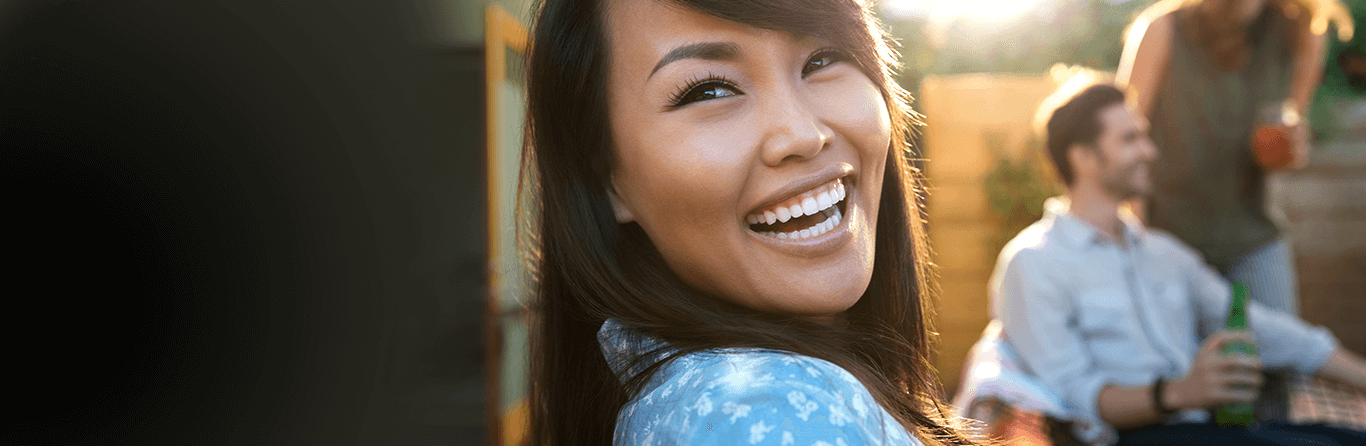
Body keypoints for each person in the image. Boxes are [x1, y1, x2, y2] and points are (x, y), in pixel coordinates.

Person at [521, 0, 977, 445]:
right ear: (607, 181)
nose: (802, 135)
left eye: (821, 59)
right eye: (709, 91)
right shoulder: (768, 414)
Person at [991, 81, 1366, 445]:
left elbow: (1265, 330)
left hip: (1208, 431)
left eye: (1145, 136)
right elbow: (1074, 399)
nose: (1150, 152)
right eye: (1130, 139)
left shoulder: (1165, 254)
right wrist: (1179, 394)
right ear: (1083, 157)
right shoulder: (1034, 262)